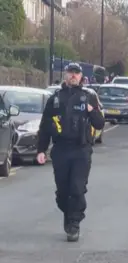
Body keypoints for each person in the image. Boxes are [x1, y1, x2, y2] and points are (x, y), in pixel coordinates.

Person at [36, 63, 105, 242]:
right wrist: (41, 150)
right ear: (65, 75)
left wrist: (92, 111)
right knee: (62, 192)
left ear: (81, 76)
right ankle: (69, 214)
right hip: (60, 150)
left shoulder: (89, 97)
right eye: (70, 73)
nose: (73, 76)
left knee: (77, 188)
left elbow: (99, 124)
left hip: (81, 150)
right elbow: (44, 126)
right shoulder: (55, 99)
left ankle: (74, 224)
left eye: (76, 73)